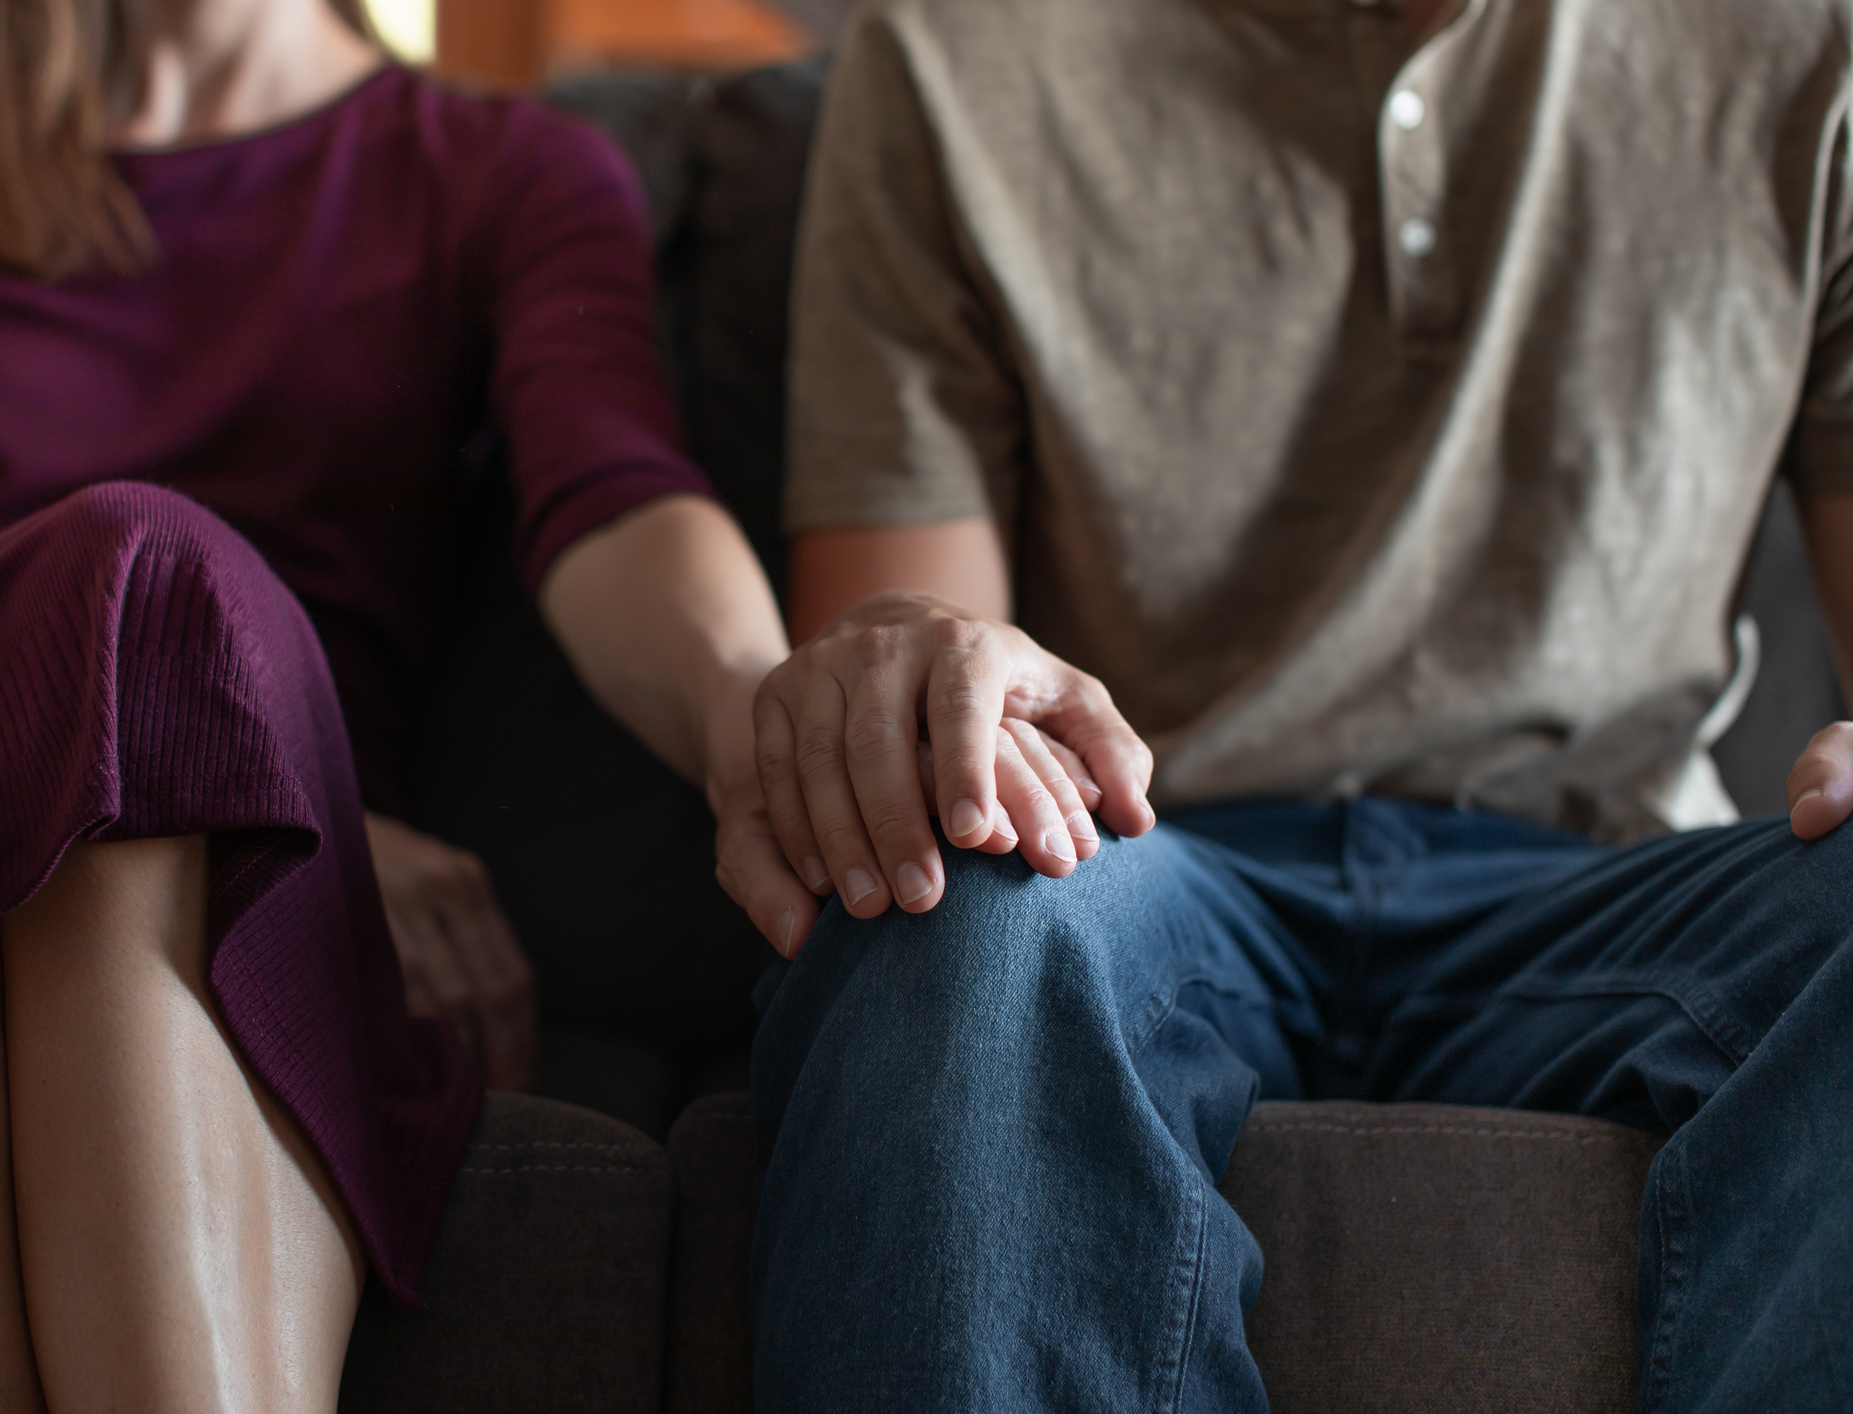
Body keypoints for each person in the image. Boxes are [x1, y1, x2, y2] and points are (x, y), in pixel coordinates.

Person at [0, 0, 862, 1401]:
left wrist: (755, 704)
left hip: (259, 877)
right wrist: (124, 736)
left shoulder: (495, 165)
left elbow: (613, 503)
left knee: (152, 602)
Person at [731, 0, 1853, 1408]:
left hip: (1604, 882)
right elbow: (920, 666)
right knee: (930, 878)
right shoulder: (954, 52)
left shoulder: (1802, 46)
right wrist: (917, 673)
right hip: (1135, 854)